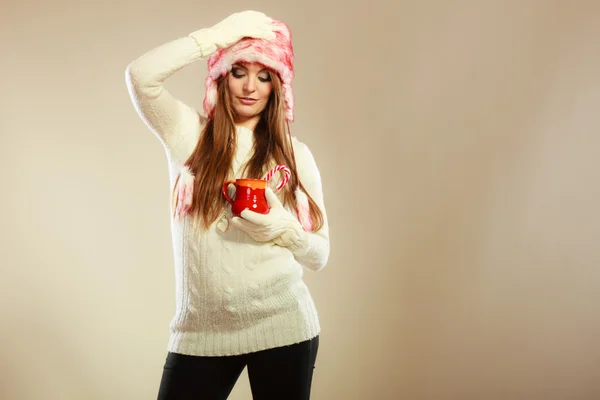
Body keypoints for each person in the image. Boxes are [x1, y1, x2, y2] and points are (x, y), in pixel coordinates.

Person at [125, 10, 330, 400]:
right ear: (221, 76)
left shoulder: (295, 156)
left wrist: (284, 229)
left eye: (264, 75)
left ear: (277, 87)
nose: (250, 86)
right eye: (239, 71)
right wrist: (215, 37)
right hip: (200, 333)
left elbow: (320, 254)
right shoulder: (188, 134)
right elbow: (140, 76)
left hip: (283, 326)